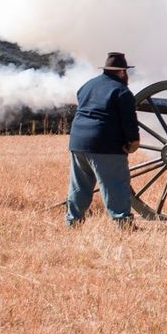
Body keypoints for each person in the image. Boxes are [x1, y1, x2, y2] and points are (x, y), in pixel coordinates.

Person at [66, 52, 141, 228]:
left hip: (77, 142)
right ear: (122, 72)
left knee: (79, 185)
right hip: (105, 144)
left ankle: (73, 221)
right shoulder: (122, 91)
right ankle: (123, 222)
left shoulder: (87, 86)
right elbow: (129, 122)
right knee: (115, 184)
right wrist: (133, 142)